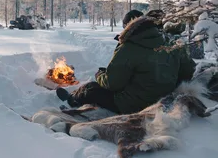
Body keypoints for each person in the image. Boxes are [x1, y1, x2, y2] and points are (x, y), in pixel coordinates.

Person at [56, 15, 196, 114]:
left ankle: (73, 100)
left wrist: (100, 75)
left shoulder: (129, 48)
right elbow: (188, 72)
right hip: (164, 100)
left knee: (91, 88)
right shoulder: (172, 45)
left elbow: (112, 84)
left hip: (134, 105)